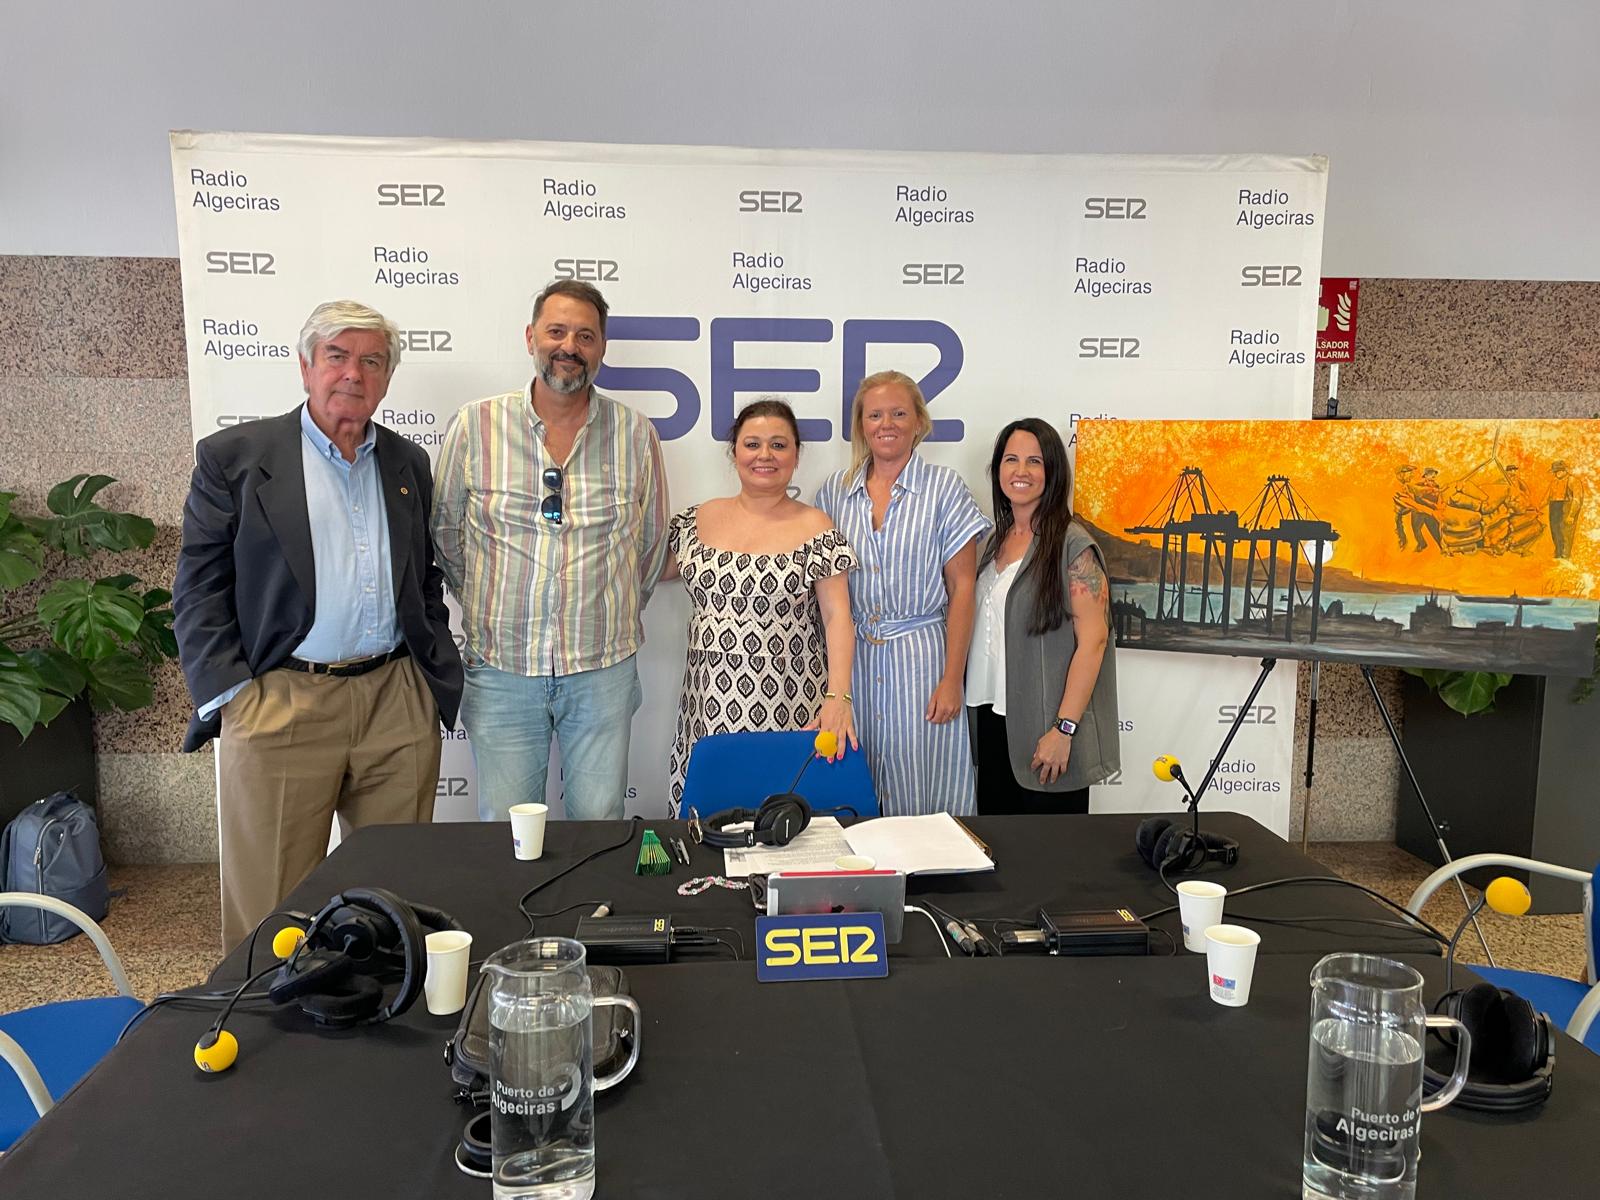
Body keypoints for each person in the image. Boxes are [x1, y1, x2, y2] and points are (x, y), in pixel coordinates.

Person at [173, 299, 463, 948]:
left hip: (395, 699)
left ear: (387, 379)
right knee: (270, 909)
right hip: (282, 699)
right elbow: (198, 586)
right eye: (336, 356)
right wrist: (235, 697)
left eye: (371, 361)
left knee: (395, 893)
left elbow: (423, 580)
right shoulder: (237, 457)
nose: (353, 374)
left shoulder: (407, 464)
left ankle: (378, 1015)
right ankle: (260, 1029)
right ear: (305, 367)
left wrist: (428, 676)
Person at [432, 280, 669, 822]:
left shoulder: (635, 433)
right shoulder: (476, 425)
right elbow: (446, 535)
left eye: (585, 336)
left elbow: (650, 542)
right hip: (502, 667)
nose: (569, 346)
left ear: (602, 348)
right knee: (507, 826)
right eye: (556, 331)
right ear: (530, 337)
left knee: (600, 820)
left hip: (602, 667)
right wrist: (492, 605)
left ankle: (595, 913)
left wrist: (607, 610)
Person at [663, 399, 857, 815]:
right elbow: (640, 568)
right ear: (734, 452)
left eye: (778, 445)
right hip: (708, 702)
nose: (764, 455)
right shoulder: (696, 520)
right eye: (752, 443)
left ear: (796, 455)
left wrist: (838, 697)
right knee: (712, 823)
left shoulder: (816, 526)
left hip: (790, 701)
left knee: (784, 823)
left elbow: (838, 616)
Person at [814, 371, 990, 816]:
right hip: (854, 661)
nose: (885, 424)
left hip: (922, 659)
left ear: (918, 422)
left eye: (898, 413)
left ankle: (927, 879)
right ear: (861, 424)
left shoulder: (944, 487)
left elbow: (962, 587)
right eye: (874, 415)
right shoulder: (834, 493)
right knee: (856, 772)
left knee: (921, 776)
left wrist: (952, 678)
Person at [966, 418, 1119, 814]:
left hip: (1046, 729)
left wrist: (1063, 729)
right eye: (1011, 459)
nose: (1021, 471)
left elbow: (1094, 642)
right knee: (1001, 855)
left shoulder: (1073, 546)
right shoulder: (994, 541)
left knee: (1049, 860)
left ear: (1052, 472)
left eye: (1034, 461)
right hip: (993, 719)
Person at [1548, 459, 1584, 559]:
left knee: (1566, 534)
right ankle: (1558, 555)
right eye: (1555, 471)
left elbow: (1577, 499)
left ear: (1565, 470)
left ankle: (1565, 557)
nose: (1556, 473)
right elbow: (1548, 496)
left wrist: (1571, 515)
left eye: (1558, 471)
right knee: (1555, 532)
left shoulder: (1573, 481)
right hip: (1554, 508)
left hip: (1567, 508)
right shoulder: (1555, 481)